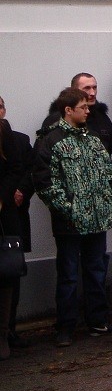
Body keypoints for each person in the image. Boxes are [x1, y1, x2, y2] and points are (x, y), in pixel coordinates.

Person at [33, 88, 112, 347]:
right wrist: (68, 209)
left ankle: (98, 320)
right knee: (69, 274)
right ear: (68, 110)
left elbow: (108, 173)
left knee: (96, 270)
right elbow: (45, 182)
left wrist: (108, 202)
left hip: (97, 219)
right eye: (83, 107)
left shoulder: (93, 139)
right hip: (69, 222)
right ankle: (66, 326)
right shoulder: (51, 141)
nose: (88, 110)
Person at [0, 97, 35, 351]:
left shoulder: (20, 140)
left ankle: (9, 330)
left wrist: (21, 190)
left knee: (11, 273)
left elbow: (30, 171)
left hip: (11, 219)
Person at [41, 73, 112, 155]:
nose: (92, 93)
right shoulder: (55, 120)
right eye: (87, 88)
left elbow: (109, 151)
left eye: (94, 87)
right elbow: (43, 157)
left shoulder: (102, 118)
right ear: (74, 90)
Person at [0, 112, 22, 360]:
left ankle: (3, 334)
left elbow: (15, 168)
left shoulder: (3, 130)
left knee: (5, 276)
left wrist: (2, 198)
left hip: (3, 216)